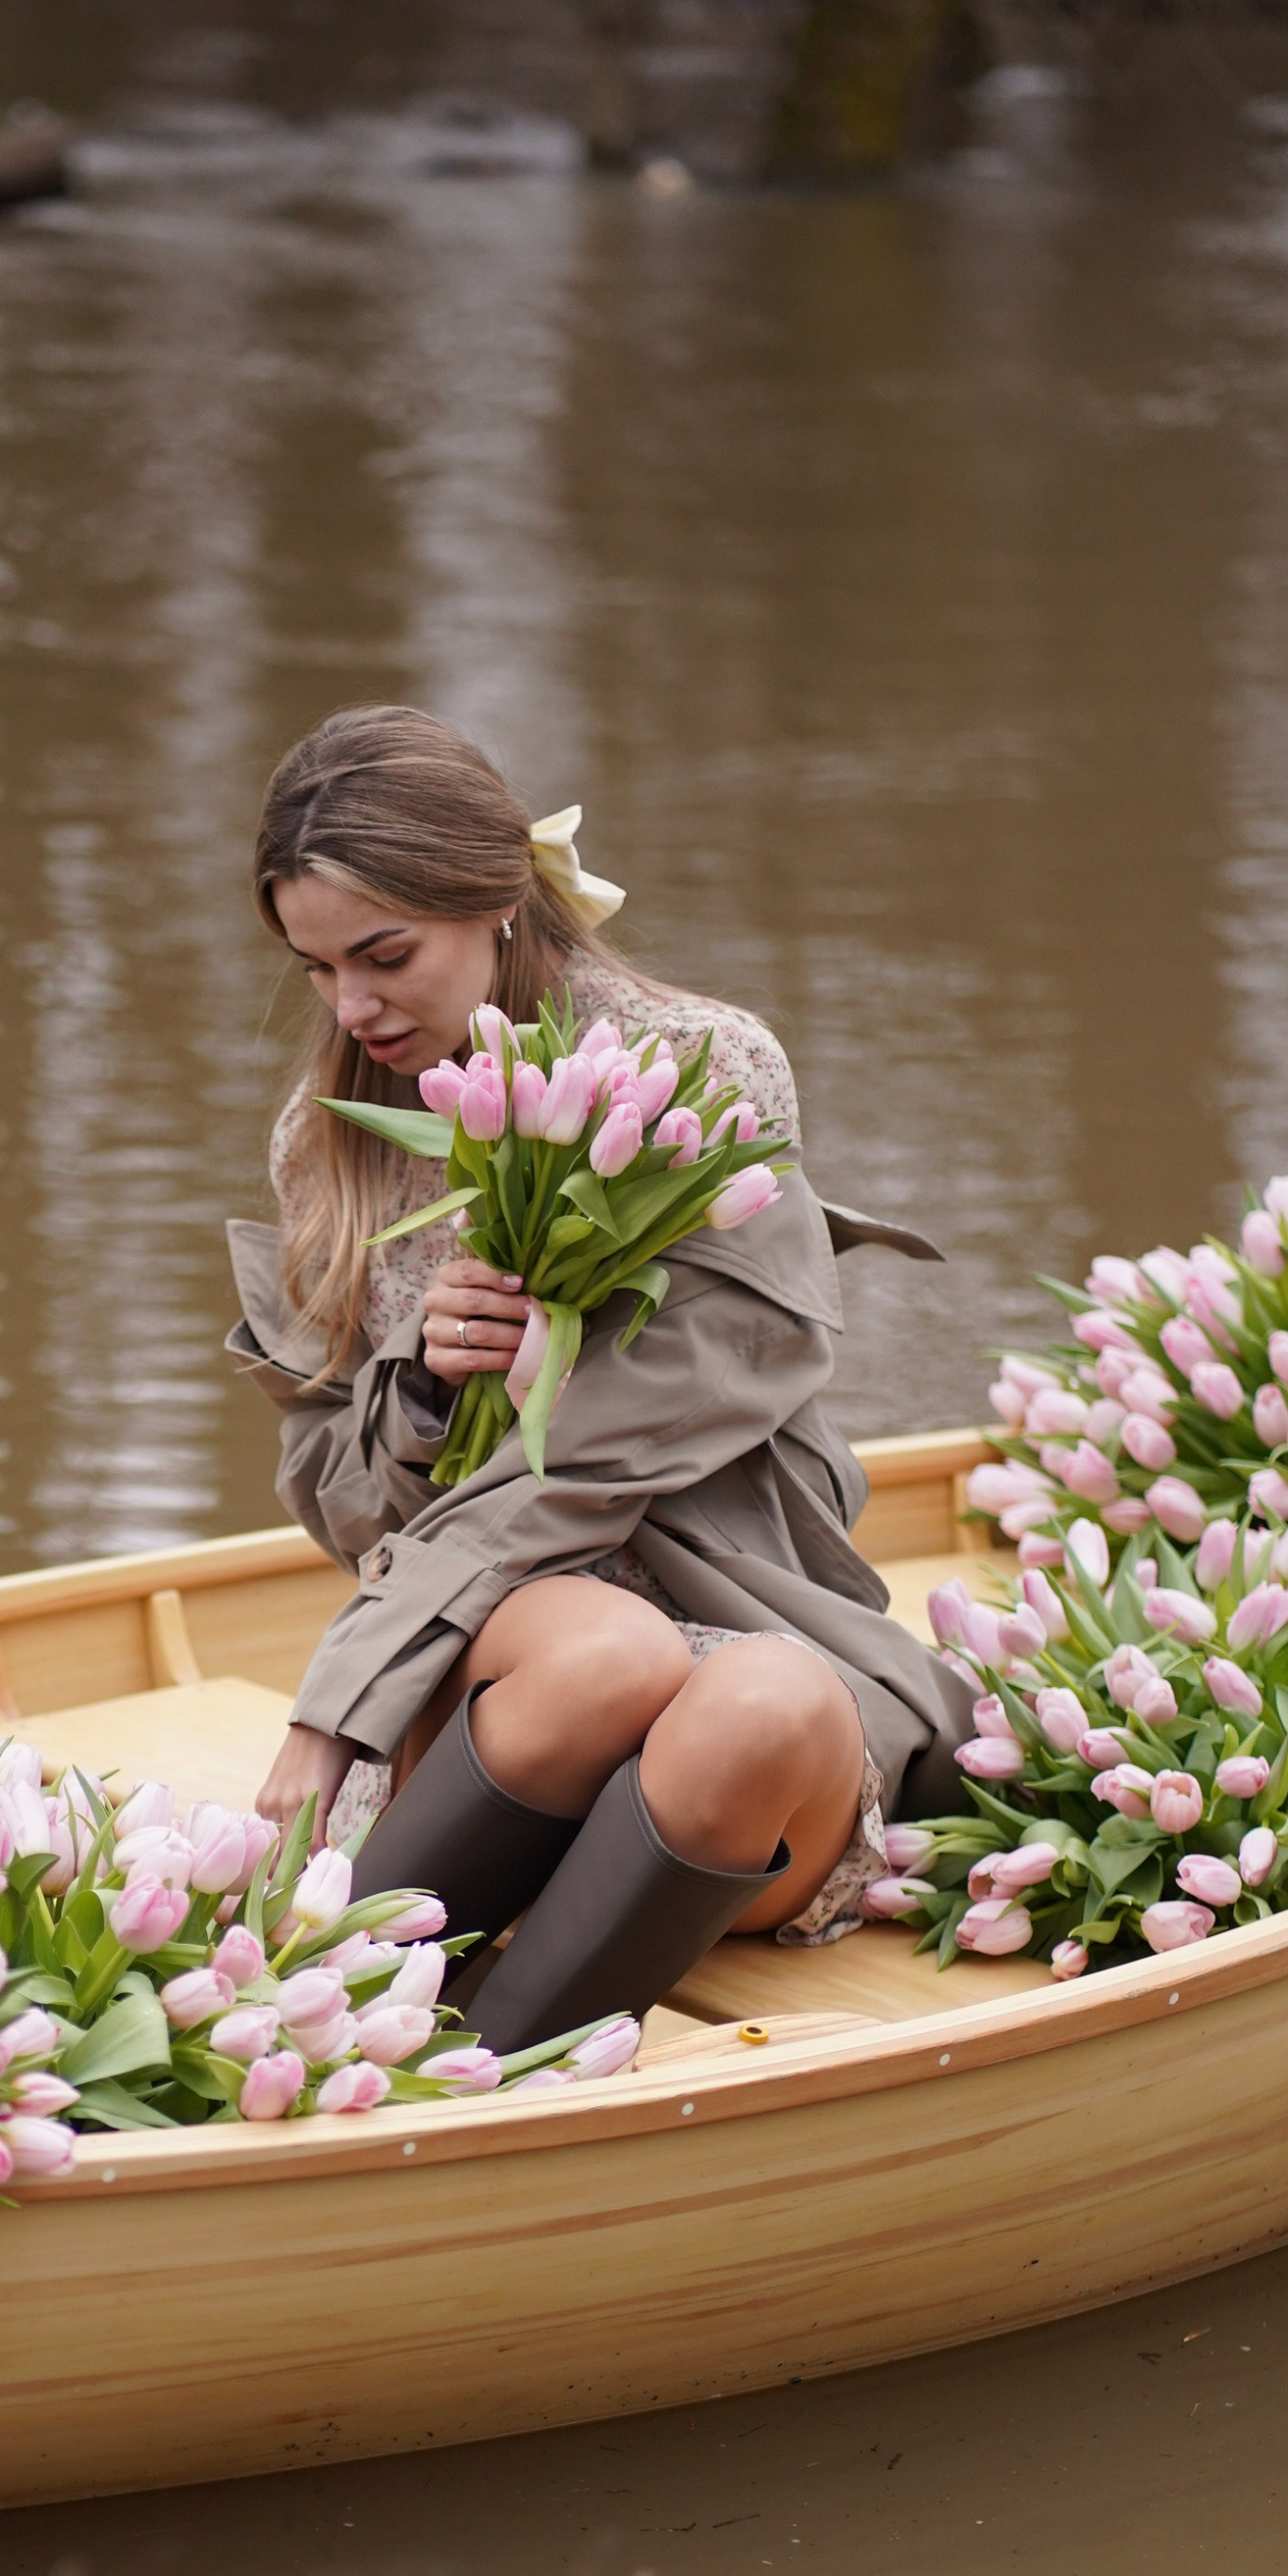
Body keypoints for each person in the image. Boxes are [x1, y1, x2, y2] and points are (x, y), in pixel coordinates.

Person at [224, 704, 972, 2052]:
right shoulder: (329, 1141)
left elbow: (615, 1454)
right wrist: (425, 1385)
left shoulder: (701, 1078)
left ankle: (485, 2076)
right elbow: (340, 1507)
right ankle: (314, 2028)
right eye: (318, 968)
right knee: (600, 1652)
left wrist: (333, 1710)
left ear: (500, 898)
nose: (353, 1007)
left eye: (384, 956)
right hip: (499, 1679)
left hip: (736, 1660)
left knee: (765, 1697)